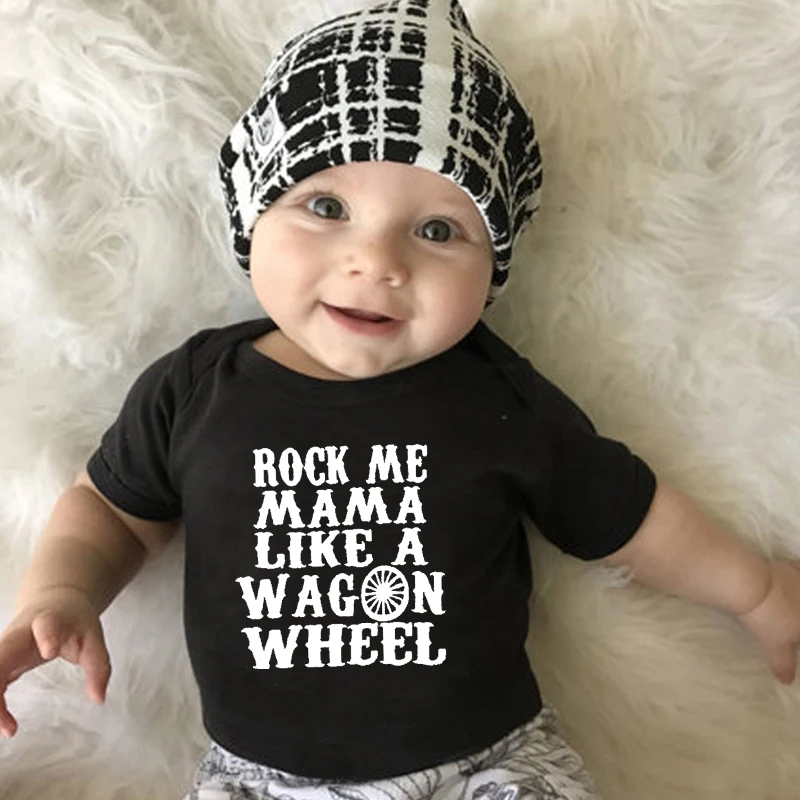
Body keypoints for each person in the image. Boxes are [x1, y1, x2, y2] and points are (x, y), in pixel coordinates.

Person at [1, 0, 798, 798]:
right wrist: (62, 591)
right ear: (254, 212)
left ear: (493, 266)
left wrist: (757, 590)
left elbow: (627, 512)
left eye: (439, 231)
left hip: (487, 766)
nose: (377, 261)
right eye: (327, 207)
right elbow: (110, 510)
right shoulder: (195, 388)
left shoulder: (492, 393)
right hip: (261, 779)